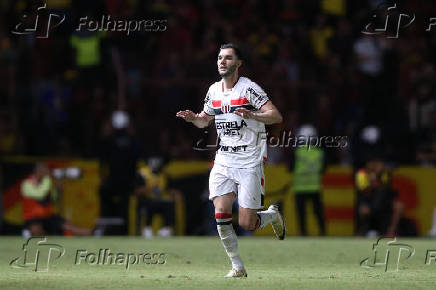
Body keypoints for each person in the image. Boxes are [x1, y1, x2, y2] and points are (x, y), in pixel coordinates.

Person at [176, 43, 285, 278]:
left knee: (247, 223)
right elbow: (205, 121)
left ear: (238, 63)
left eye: (227, 58)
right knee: (221, 213)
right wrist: (194, 118)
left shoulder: (249, 89)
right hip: (224, 159)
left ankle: (271, 215)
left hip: (249, 161)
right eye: (219, 58)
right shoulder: (213, 90)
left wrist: (253, 114)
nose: (221, 62)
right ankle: (237, 266)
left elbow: (276, 115)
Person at [21, 163, 91, 236]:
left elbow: (53, 200)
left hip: (47, 216)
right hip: (33, 218)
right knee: (37, 232)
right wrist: (47, 179)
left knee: (69, 226)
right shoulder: (27, 183)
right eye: (44, 169)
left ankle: (94, 232)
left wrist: (58, 189)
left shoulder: (46, 183)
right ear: (37, 170)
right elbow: (40, 195)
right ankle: (27, 231)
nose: (47, 171)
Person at [291, 125, 326, 236]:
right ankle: (323, 233)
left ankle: (303, 233)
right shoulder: (319, 152)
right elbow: (323, 169)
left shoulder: (297, 152)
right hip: (315, 187)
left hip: (300, 187)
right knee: (318, 212)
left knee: (302, 214)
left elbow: (290, 167)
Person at [135, 156, 176, 238]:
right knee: (150, 203)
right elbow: (137, 191)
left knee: (170, 204)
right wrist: (150, 188)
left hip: (160, 199)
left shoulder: (163, 174)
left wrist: (174, 193)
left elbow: (168, 189)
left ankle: (166, 228)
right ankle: (147, 228)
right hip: (146, 199)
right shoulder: (142, 173)